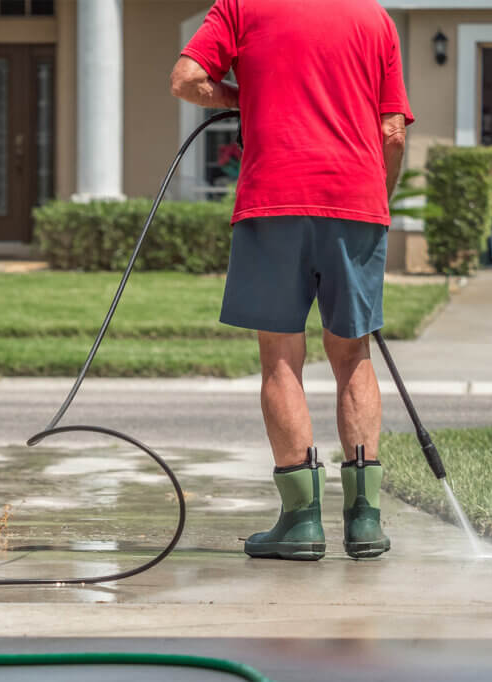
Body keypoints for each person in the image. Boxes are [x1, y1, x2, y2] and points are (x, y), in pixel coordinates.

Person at [169, 0, 413, 560]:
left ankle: (302, 523)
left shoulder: (240, 6)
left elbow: (186, 79)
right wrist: (378, 198)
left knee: (281, 357)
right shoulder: (375, 18)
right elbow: (392, 131)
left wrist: (238, 97)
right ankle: (365, 520)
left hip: (273, 201)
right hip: (356, 203)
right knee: (353, 355)